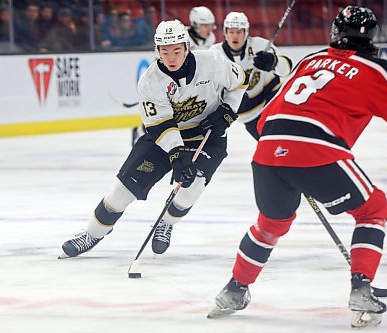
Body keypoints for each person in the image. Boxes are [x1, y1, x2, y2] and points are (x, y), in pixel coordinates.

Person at [207, 6, 387, 328]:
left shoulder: (310, 61)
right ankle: (361, 289)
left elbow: (270, 113)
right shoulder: (375, 69)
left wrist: (281, 153)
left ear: (334, 33)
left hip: (268, 150)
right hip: (315, 150)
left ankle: (234, 289)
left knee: (271, 224)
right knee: (372, 209)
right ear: (372, 36)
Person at [60, 19, 247, 258]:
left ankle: (166, 223)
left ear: (187, 48)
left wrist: (228, 112)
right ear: (157, 51)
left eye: (177, 51)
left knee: (192, 187)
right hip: (165, 137)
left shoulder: (213, 63)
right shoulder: (150, 81)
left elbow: (240, 81)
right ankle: (92, 234)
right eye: (165, 51)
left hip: (206, 135)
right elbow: (161, 124)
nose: (171, 57)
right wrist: (177, 154)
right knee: (121, 193)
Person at [131, 6, 217, 146]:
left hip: (189, 79)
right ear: (195, 24)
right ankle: (141, 132)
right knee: (161, 109)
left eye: (210, 25)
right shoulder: (181, 37)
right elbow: (162, 59)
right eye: (205, 25)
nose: (209, 29)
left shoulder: (209, 39)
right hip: (170, 77)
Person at [210, 12, 292, 140]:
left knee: (292, 138)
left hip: (273, 102)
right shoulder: (214, 54)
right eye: (231, 31)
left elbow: (287, 69)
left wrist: (273, 61)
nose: (235, 36)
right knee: (274, 148)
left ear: (246, 32)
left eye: (239, 32)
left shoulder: (260, 45)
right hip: (249, 114)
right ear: (225, 33)